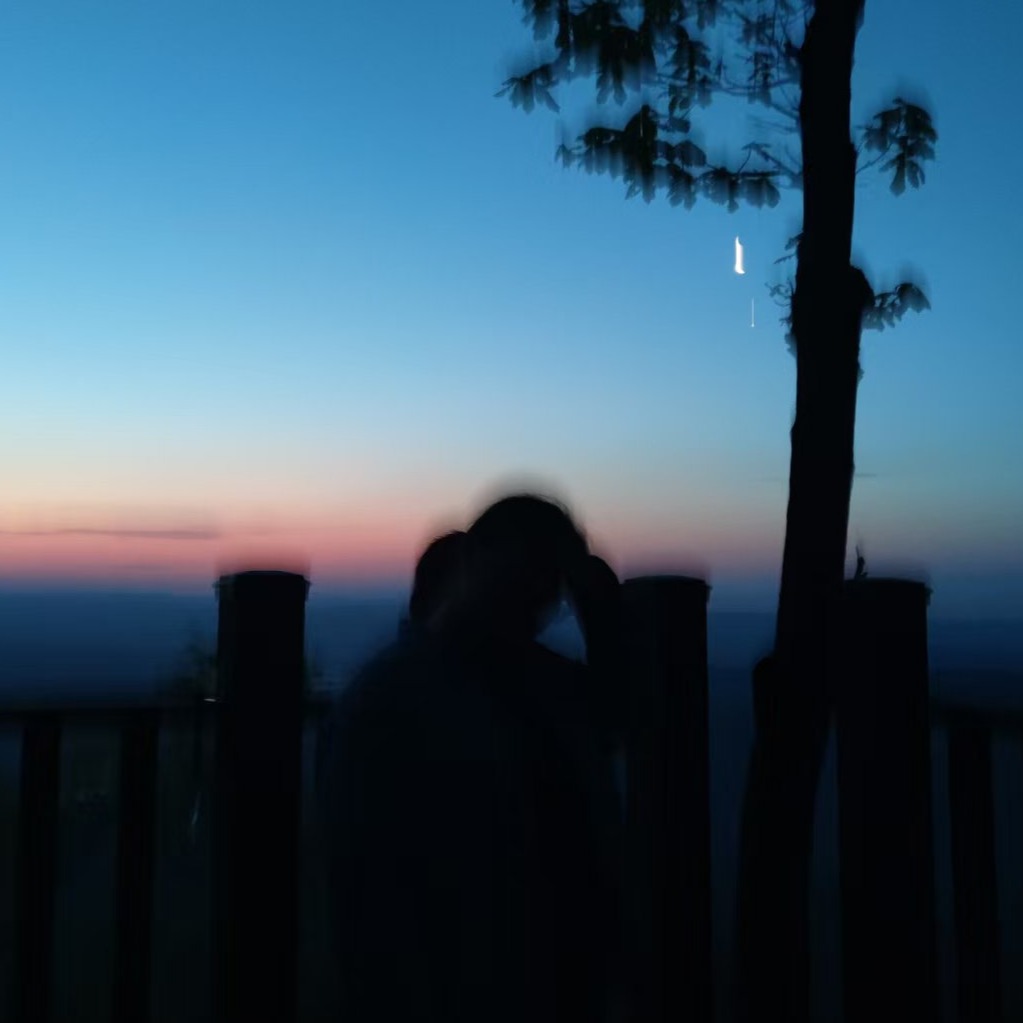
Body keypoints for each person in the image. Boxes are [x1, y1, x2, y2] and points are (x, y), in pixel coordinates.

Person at [317, 494, 631, 1023]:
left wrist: (599, 602)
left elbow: (619, 717)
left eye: (544, 587)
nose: (532, 605)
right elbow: (378, 898)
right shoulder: (393, 700)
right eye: (521, 578)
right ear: (472, 566)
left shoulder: (533, 683)